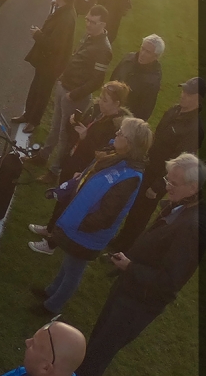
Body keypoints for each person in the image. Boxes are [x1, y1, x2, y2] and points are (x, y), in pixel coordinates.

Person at [76, 153, 206, 376]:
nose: (167, 187)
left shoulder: (191, 228)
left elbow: (169, 282)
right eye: (168, 179)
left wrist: (131, 267)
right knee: (98, 341)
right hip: (130, 288)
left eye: (173, 183)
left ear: (193, 187)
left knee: (100, 351)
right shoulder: (183, 204)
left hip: (138, 302)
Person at [27, 117, 151, 313]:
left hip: (88, 232)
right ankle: (51, 291)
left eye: (121, 133)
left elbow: (106, 215)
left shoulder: (130, 177)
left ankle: (51, 306)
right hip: (81, 225)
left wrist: (80, 223)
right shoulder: (117, 156)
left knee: (73, 270)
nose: (116, 134)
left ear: (130, 143)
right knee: (68, 263)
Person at [109, 77, 203, 254]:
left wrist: (160, 184)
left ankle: (125, 249)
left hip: (159, 177)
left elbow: (182, 162)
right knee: (132, 203)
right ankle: (120, 239)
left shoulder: (193, 129)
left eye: (189, 93)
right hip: (147, 166)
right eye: (183, 90)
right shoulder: (174, 110)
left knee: (140, 213)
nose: (183, 95)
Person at [30, 5, 113, 177]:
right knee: (55, 127)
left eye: (93, 22)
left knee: (65, 136)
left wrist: (74, 94)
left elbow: (97, 81)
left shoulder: (104, 49)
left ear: (103, 24)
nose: (88, 24)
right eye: (87, 20)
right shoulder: (89, 36)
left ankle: (54, 171)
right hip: (64, 87)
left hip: (75, 96)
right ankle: (43, 156)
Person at [15, 0, 77, 133]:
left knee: (42, 92)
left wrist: (37, 34)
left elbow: (55, 44)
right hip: (47, 60)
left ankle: (34, 121)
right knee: (35, 87)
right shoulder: (65, 10)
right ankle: (28, 114)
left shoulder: (66, 17)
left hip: (52, 63)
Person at [52, 80, 131, 185]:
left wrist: (85, 137)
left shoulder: (116, 128)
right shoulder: (96, 109)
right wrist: (73, 124)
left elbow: (101, 154)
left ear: (117, 104)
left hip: (83, 169)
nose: (100, 102)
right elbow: (77, 131)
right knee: (62, 187)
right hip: (72, 159)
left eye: (105, 100)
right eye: (101, 98)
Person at [110, 34, 164, 122]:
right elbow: (113, 78)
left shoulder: (152, 82)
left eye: (148, 52)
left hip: (123, 120)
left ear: (156, 57)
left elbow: (144, 111)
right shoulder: (128, 58)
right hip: (108, 107)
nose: (142, 54)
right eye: (143, 48)